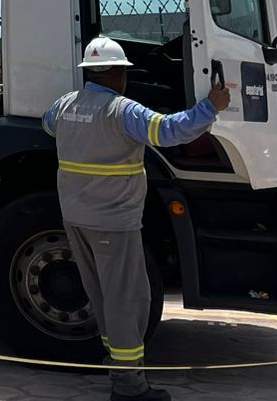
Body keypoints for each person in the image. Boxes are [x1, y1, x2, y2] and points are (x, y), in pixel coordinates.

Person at [43, 37, 231, 401]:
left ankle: (115, 361)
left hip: (75, 218)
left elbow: (49, 126)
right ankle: (129, 387)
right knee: (127, 300)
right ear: (116, 72)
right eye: (124, 71)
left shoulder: (64, 106)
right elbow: (170, 131)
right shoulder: (122, 111)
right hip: (113, 222)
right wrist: (211, 106)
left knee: (102, 296)